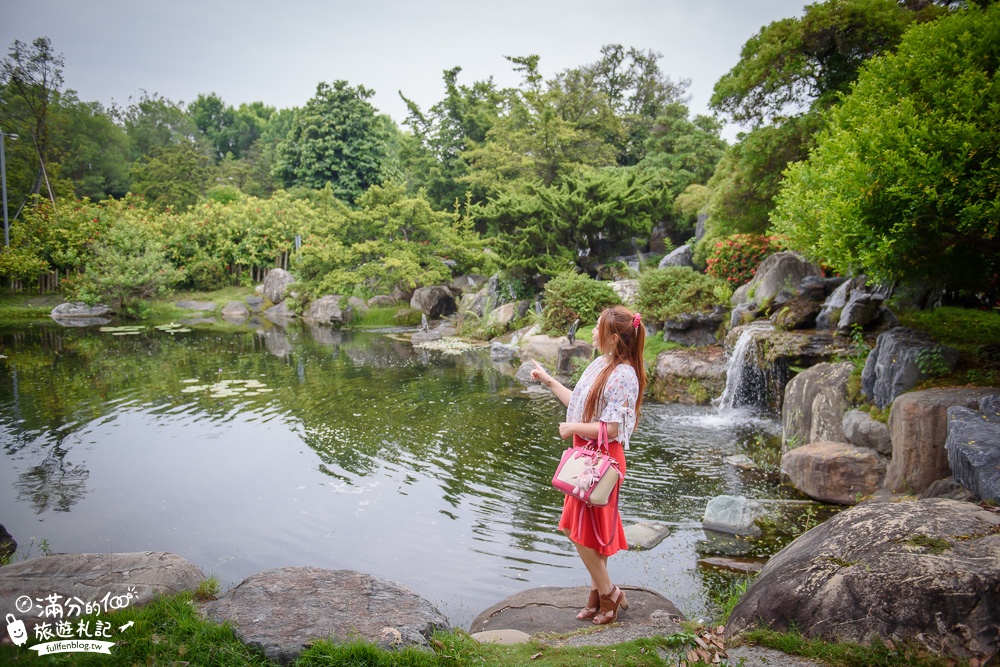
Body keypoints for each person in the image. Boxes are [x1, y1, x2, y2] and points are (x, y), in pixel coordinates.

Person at [530, 305, 646, 625]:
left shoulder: (624, 374)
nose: (591, 332)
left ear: (612, 337)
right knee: (589, 532)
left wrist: (572, 430)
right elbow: (580, 408)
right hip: (585, 458)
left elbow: (612, 429)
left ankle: (609, 592)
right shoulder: (599, 364)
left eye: (596, 328)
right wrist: (549, 380)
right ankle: (598, 597)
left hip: (602, 461)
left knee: (579, 531)